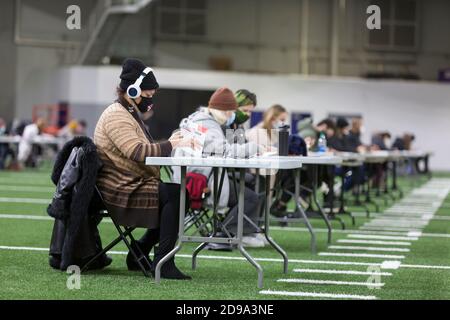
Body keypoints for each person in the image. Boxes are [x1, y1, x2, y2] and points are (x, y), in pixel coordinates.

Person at [94, 58, 195, 280]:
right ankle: (163, 262)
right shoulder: (116, 115)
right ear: (132, 90)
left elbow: (141, 148)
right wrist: (173, 144)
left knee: (178, 193)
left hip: (130, 182)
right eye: (147, 95)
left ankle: (140, 249)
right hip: (120, 189)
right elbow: (137, 152)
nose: (150, 100)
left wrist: (170, 141)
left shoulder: (126, 112)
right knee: (177, 196)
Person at [172, 87, 265, 247]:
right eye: (244, 110)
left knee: (253, 182)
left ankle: (246, 229)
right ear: (227, 110)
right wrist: (256, 147)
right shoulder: (211, 126)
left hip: (199, 175)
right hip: (201, 181)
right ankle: (226, 233)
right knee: (250, 195)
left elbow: (233, 147)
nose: (245, 115)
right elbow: (228, 150)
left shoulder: (200, 120)